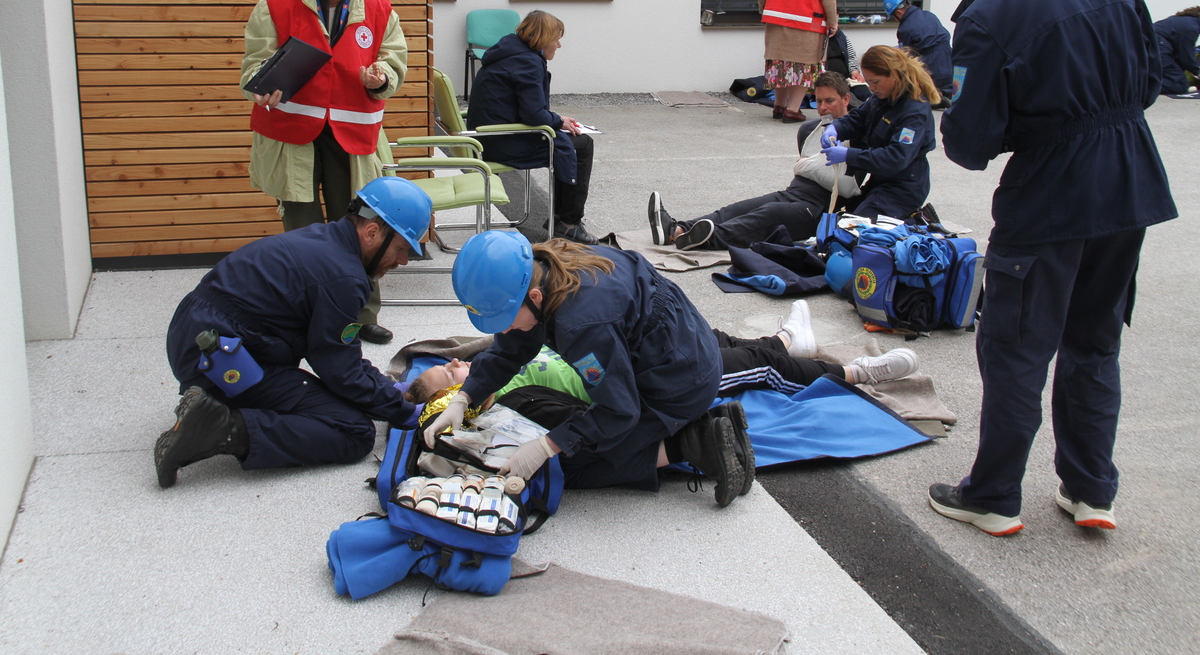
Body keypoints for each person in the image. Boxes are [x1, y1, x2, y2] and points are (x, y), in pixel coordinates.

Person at [928, 0, 1176, 536]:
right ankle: (1092, 491)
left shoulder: (989, 13)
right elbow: (1151, 82)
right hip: (1130, 184)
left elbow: (969, 143)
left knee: (1015, 347)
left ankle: (993, 496)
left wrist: (1028, 127)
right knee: (1094, 341)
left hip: (1049, 197)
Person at [425, 231, 749, 508]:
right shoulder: (545, 267)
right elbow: (511, 348)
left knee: (562, 467)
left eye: (504, 319)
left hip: (680, 384)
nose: (503, 329)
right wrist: (464, 398)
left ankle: (698, 441)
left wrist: (548, 447)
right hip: (682, 347)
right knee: (538, 403)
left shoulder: (581, 324)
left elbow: (619, 411)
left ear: (534, 296)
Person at [153, 176, 433, 488]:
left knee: (338, 398)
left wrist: (383, 388)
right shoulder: (343, 277)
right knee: (353, 431)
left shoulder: (326, 240)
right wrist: (402, 411)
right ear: (371, 233)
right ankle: (221, 428)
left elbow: (336, 355)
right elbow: (339, 369)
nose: (403, 260)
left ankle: (212, 404)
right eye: (401, 248)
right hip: (218, 359)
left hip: (200, 337)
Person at [240, 0, 407, 346]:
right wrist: (262, 85)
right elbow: (253, 64)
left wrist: (381, 76)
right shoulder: (275, 2)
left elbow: (394, 59)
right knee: (301, 230)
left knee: (363, 227)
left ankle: (362, 314)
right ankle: (303, 313)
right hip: (292, 134)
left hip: (354, 136)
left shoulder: (378, 7)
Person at [406, 300, 920, 413]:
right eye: (448, 374)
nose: (454, 364)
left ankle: (787, 340)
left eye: (446, 362)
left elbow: (506, 346)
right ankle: (853, 373)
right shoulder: (506, 400)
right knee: (754, 369)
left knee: (709, 337)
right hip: (650, 381)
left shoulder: (498, 366)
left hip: (631, 351)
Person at [649, 72, 858, 251]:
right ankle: (676, 230)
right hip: (793, 193)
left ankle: (706, 239)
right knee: (738, 209)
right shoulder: (808, 130)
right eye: (819, 101)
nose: (823, 107)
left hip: (821, 208)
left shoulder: (860, 137)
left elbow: (855, 185)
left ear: (846, 99)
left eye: (829, 101)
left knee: (768, 214)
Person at [467, 10, 599, 245]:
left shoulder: (509, 52)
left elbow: (527, 109)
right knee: (581, 144)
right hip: (502, 142)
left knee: (567, 141)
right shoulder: (527, 61)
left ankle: (560, 219)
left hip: (488, 137)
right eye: (556, 39)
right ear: (543, 39)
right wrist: (557, 121)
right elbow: (533, 114)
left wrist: (557, 119)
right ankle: (568, 224)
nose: (559, 45)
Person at [819, 45, 938, 221]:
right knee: (839, 218)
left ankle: (917, 222)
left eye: (875, 82)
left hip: (904, 188)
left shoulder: (914, 112)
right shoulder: (883, 97)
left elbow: (895, 158)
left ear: (894, 75)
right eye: (868, 82)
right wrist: (835, 128)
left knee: (856, 227)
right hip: (880, 180)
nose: (871, 87)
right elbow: (858, 118)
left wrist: (848, 155)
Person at [756, 0, 839, 123]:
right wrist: (832, 21)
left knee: (780, 63)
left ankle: (779, 106)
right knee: (804, 66)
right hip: (808, 23)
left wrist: (764, 9)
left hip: (776, 20)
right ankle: (793, 110)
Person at [882, 0, 954, 109]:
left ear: (899, 13)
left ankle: (938, 99)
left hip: (930, 63)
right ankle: (945, 97)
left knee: (920, 95)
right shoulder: (929, 15)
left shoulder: (905, 28)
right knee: (948, 89)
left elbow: (907, 56)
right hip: (948, 58)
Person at [1152, 7, 1200, 95]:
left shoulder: (1185, 21)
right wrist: (1198, 72)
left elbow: (1181, 55)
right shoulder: (1190, 28)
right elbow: (1186, 57)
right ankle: (1138, 86)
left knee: (1175, 79)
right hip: (1157, 47)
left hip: (1151, 45)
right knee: (1179, 85)